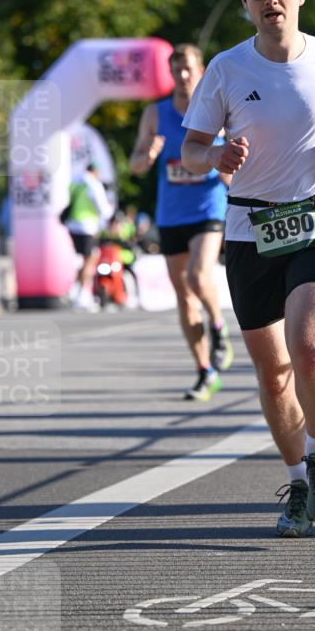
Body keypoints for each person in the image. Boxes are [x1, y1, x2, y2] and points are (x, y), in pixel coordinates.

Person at [181, 0, 315, 537]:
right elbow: (191, 150)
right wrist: (214, 154)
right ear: (245, 1)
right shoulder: (224, 68)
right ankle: (297, 482)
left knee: (311, 345)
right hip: (249, 228)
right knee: (273, 376)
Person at [130, 43, 233, 401]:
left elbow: (237, 158)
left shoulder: (217, 108)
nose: (182, 76)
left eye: (188, 68)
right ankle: (205, 370)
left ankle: (218, 326)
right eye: (176, 70)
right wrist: (149, 154)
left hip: (208, 209)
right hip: (171, 213)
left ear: (201, 70)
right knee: (183, 296)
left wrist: (229, 174)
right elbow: (136, 166)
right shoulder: (155, 114)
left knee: (196, 274)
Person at [64, 161, 114, 310]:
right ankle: (82, 294)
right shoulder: (93, 184)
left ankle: (75, 291)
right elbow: (104, 209)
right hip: (87, 226)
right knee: (90, 259)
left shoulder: (75, 182)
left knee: (82, 259)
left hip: (73, 225)